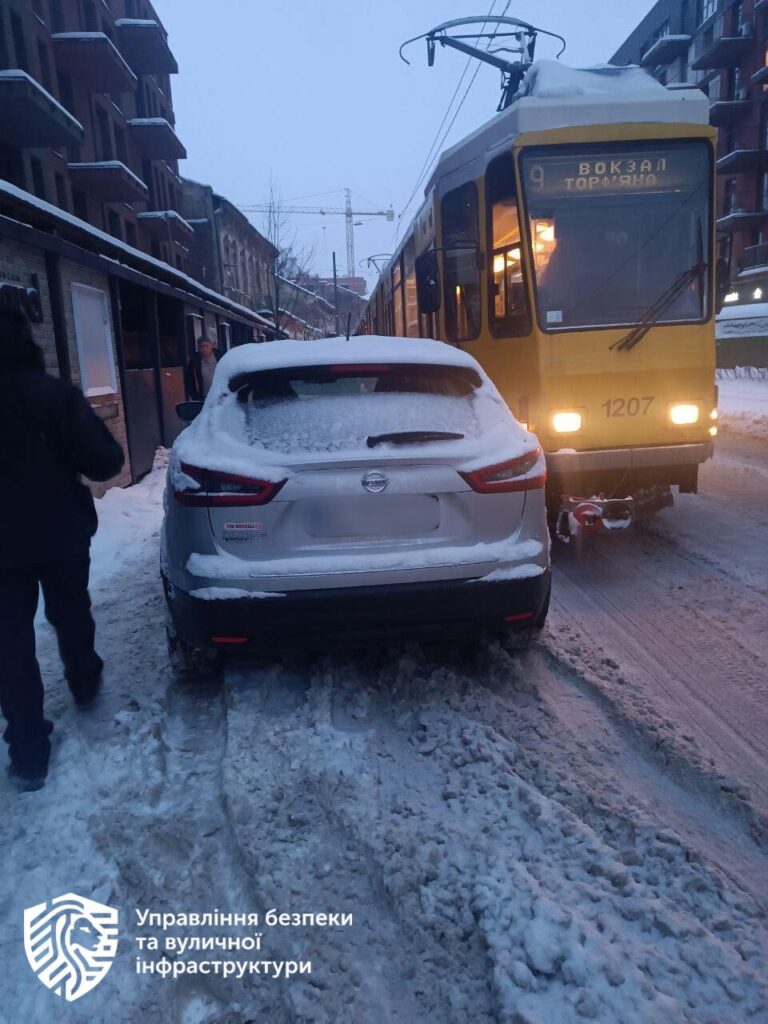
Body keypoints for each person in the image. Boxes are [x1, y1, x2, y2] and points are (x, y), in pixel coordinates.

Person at [0, 305, 124, 791]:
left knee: (9, 642)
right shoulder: (55, 396)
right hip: (61, 534)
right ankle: (84, 680)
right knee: (70, 611)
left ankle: (28, 752)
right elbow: (106, 462)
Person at [184, 333, 220, 401]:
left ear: (211, 346)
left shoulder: (219, 357)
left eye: (206, 346)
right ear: (198, 348)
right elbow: (189, 381)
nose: (204, 349)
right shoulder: (194, 361)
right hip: (204, 398)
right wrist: (195, 397)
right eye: (202, 346)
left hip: (220, 396)